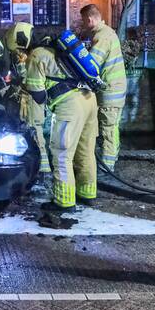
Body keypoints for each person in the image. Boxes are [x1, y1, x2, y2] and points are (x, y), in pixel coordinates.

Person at [41, 42, 98, 214]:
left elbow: (36, 93)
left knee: (61, 154)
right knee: (85, 150)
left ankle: (64, 201)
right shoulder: (57, 51)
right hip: (89, 98)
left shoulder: (36, 56)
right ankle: (87, 194)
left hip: (70, 106)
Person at [80, 4, 127, 171]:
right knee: (112, 128)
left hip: (110, 92)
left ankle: (108, 166)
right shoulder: (106, 33)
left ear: (90, 19)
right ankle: (111, 159)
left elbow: (91, 64)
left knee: (108, 129)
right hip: (114, 90)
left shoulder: (102, 36)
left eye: (84, 20)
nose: (83, 24)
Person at [4, 23, 52, 178]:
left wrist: (19, 67)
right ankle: (39, 167)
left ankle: (43, 169)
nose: (18, 53)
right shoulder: (41, 51)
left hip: (32, 101)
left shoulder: (33, 56)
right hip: (32, 101)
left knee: (35, 133)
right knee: (34, 132)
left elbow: (28, 81)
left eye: (18, 50)